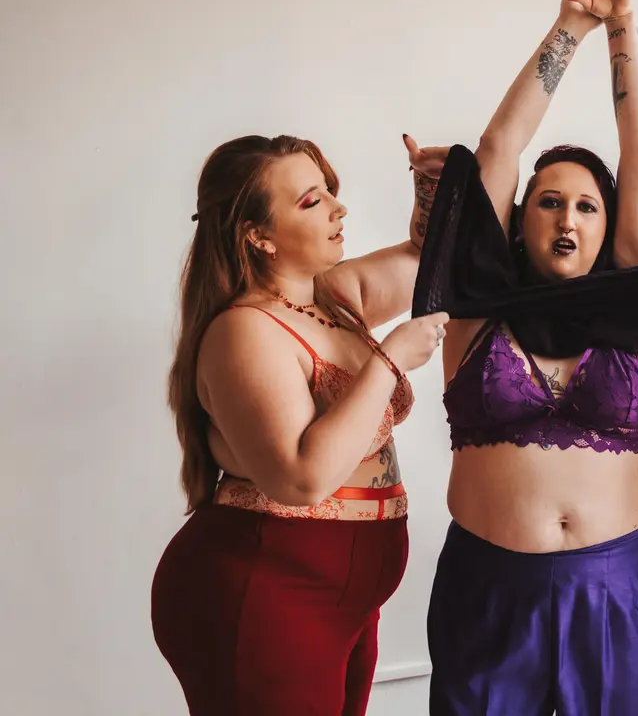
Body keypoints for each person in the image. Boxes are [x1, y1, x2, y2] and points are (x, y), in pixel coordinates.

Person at [413, 0, 638, 716]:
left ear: (609, 225)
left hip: (622, 586)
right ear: (518, 220)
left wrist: (622, 26)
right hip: (489, 587)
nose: (568, 217)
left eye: (588, 206)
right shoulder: (476, 302)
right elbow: (498, 150)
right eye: (549, 201)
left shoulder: (637, 306)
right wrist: (571, 24)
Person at [150, 133, 449, 716]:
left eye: (330, 191)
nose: (340, 208)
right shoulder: (244, 331)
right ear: (258, 236)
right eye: (312, 201)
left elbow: (436, 261)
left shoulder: (334, 298)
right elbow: (301, 479)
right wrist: (388, 362)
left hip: (344, 600)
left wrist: (433, 190)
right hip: (267, 592)